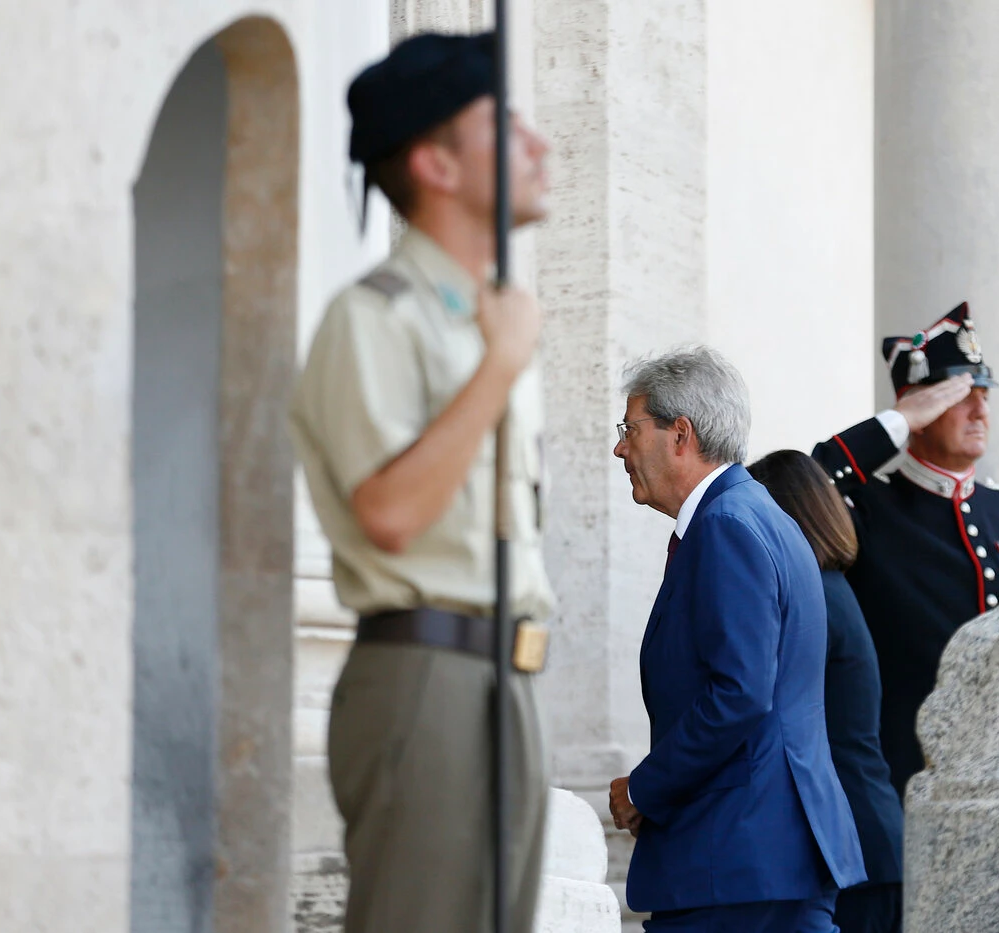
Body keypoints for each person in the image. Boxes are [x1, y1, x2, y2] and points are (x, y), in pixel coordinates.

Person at [289, 32, 554, 933]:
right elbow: (392, 512)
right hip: (424, 675)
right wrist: (498, 365)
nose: (539, 145)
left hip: (504, 675)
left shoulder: (485, 316)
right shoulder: (377, 318)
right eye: (505, 125)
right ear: (435, 162)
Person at [606, 347, 866, 932]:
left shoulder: (726, 525)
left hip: (737, 861)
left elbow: (740, 695)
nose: (620, 447)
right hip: (760, 859)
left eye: (630, 429)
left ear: (681, 434)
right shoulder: (759, 515)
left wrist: (647, 789)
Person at [812, 302, 999, 797]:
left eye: (983, 394)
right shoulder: (866, 506)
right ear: (919, 409)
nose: (980, 410)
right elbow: (812, 483)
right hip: (901, 774)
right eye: (959, 396)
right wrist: (897, 421)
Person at [748, 450, 905, 933]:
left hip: (849, 841)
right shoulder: (830, 588)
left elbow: (755, 709)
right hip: (868, 834)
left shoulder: (812, 595)